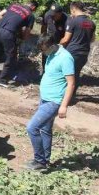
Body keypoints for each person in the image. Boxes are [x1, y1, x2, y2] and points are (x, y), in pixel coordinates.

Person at [25, 35, 76, 170]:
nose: (43, 52)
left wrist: (63, 106)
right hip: (45, 98)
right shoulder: (51, 54)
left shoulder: (65, 58)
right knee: (45, 130)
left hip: (54, 101)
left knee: (32, 128)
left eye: (44, 50)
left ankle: (40, 160)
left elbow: (71, 84)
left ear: (53, 46)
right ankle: (45, 161)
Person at [0, 0, 38, 88]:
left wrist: (7, 24)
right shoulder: (30, 15)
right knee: (11, 56)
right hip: (8, 33)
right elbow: (27, 32)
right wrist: (23, 38)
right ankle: (2, 80)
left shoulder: (14, 5)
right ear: (33, 7)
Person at [59, 1, 95, 99]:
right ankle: (71, 96)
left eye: (71, 11)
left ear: (73, 9)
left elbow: (66, 39)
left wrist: (58, 44)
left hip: (72, 52)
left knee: (65, 74)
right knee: (76, 74)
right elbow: (92, 39)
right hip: (84, 52)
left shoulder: (73, 21)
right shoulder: (91, 23)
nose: (71, 13)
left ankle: (63, 97)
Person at [41, 3, 67, 72]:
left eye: (54, 14)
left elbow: (67, 36)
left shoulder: (66, 20)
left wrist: (61, 46)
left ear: (60, 13)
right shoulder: (48, 15)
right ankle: (44, 71)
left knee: (57, 59)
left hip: (60, 41)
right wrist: (42, 38)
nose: (52, 15)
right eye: (51, 13)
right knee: (45, 56)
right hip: (49, 39)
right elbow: (44, 27)